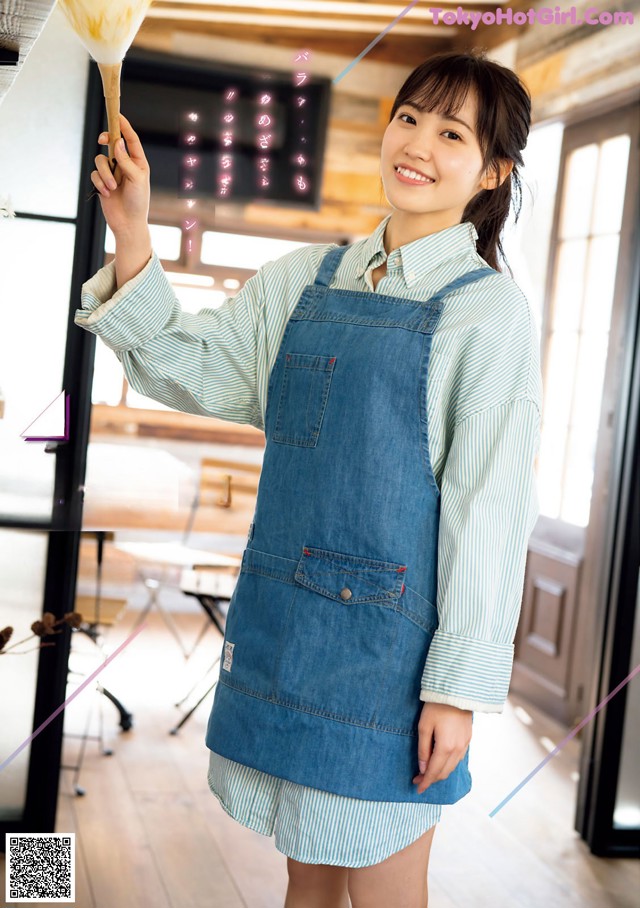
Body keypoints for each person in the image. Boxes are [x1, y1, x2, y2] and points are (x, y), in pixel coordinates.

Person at [77, 48, 542, 908]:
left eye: (452, 132)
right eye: (410, 118)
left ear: (492, 170)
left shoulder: (488, 313)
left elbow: (488, 512)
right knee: (308, 874)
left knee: (386, 886)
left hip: (390, 665)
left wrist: (457, 689)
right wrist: (133, 232)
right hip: (290, 631)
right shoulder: (306, 279)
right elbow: (195, 364)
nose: (418, 144)